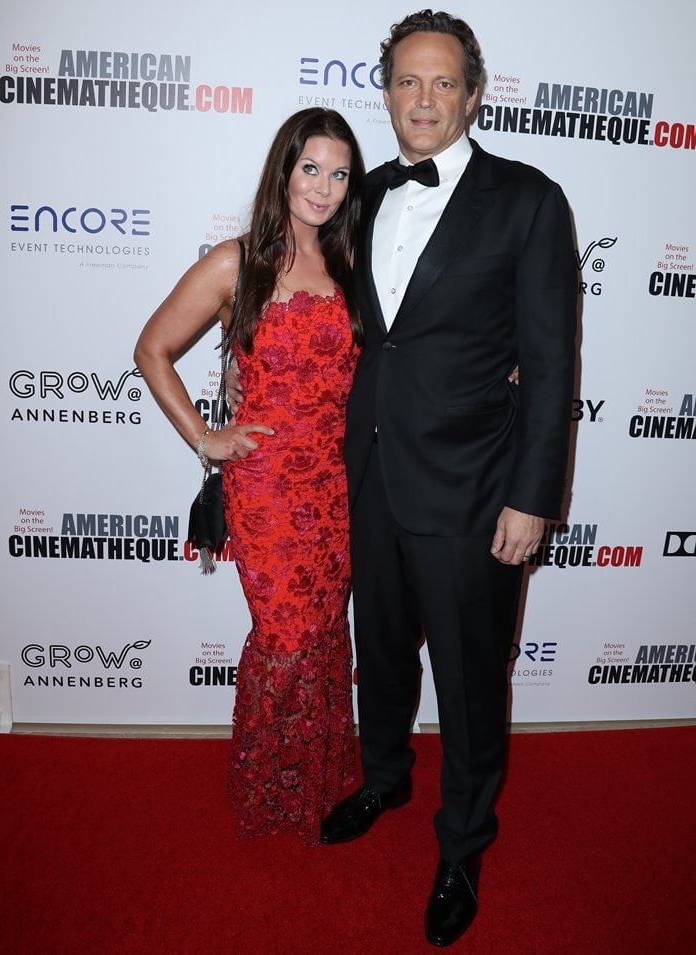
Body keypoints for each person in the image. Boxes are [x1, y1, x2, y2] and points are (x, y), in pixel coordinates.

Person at [318, 11, 577, 947]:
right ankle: (384, 774)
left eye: (442, 83)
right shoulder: (364, 191)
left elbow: (552, 366)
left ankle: (463, 841)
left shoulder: (530, 200)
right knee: (378, 651)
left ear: (473, 94)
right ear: (385, 90)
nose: (422, 100)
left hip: (476, 491)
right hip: (373, 473)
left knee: (470, 681)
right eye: (405, 81)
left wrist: (531, 496)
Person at [134, 108, 365, 846]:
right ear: (283, 169)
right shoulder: (237, 263)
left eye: (338, 173)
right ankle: (269, 786)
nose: (324, 188)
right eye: (311, 168)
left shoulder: (354, 264)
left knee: (326, 632)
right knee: (286, 637)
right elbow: (152, 349)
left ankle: (321, 777)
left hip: (337, 482)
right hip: (265, 485)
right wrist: (207, 435)